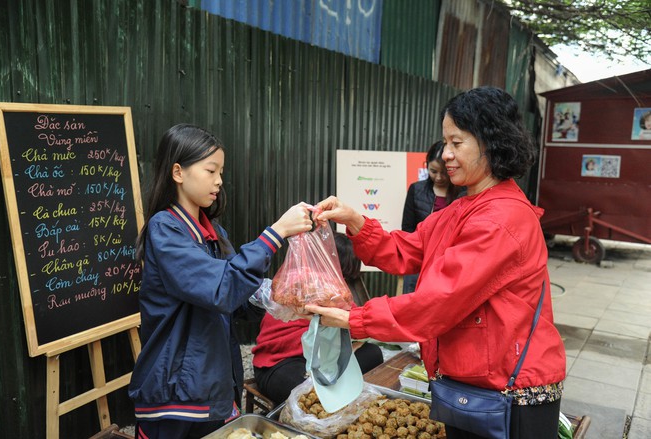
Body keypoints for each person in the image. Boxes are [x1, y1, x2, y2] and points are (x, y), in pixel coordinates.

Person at [306, 86, 566, 439]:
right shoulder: (462, 208)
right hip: (476, 383)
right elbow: (404, 250)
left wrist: (357, 319)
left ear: (490, 142)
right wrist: (355, 221)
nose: (446, 154)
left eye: (457, 143)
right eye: (445, 143)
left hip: (510, 392)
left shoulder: (500, 218)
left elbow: (440, 300)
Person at [128, 124, 312, 439]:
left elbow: (236, 299)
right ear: (178, 172)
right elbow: (220, 289)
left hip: (213, 385)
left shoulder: (214, 234)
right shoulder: (165, 230)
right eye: (211, 170)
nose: (219, 180)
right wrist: (276, 232)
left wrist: (279, 298)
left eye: (221, 171)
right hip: (175, 393)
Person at [251, 231, 383, 407]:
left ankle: (335, 392)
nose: (344, 279)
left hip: (318, 357)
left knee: (372, 352)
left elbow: (353, 322)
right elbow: (353, 320)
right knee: (308, 394)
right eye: (344, 273)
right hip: (279, 362)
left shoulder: (338, 290)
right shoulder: (300, 283)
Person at [401, 140, 464, 293]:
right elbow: (407, 228)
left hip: (447, 262)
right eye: (433, 171)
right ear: (427, 165)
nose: (439, 177)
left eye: (444, 172)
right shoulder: (416, 190)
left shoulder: (462, 194)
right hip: (419, 258)